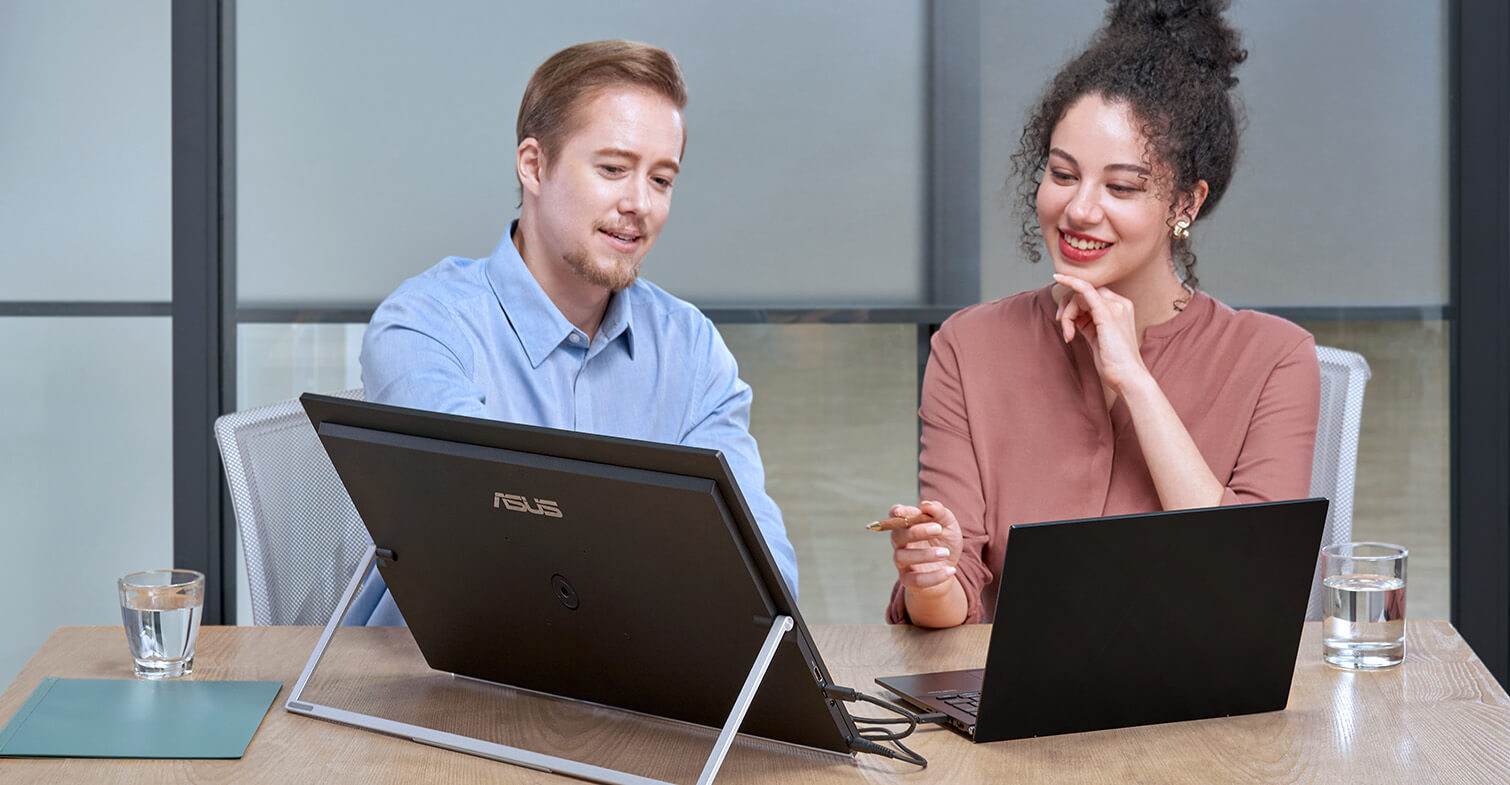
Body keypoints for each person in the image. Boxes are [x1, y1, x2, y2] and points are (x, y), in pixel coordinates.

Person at [876, 0, 1320, 629]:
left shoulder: (1276, 357)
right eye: (1062, 174)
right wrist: (932, 576)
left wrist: (1135, 381)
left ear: (1185, 203)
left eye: (1122, 187)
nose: (1080, 209)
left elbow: (1250, 588)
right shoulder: (968, 347)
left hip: (1200, 711)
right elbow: (955, 605)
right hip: (1014, 711)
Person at [351, 40, 798, 625]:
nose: (639, 203)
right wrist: (667, 551)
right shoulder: (424, 327)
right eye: (613, 169)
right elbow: (494, 548)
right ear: (534, 165)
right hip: (439, 688)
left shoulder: (690, 349)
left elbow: (764, 580)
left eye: (662, 180)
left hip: (631, 688)